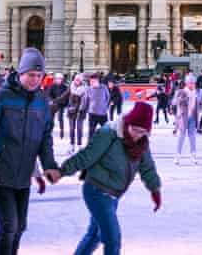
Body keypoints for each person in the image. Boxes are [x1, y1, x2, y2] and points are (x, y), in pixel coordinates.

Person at [0, 47, 58, 255]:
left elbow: (44, 138)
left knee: (19, 227)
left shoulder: (41, 101)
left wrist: (47, 166)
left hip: (22, 175)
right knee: (9, 226)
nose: (34, 79)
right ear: (20, 74)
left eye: (39, 75)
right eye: (30, 75)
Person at [51, 102, 162, 255]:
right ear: (128, 122)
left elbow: (147, 167)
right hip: (97, 190)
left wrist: (154, 189)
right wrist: (62, 171)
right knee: (112, 239)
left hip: (113, 195)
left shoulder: (142, 143)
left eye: (143, 132)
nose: (137, 135)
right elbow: (87, 156)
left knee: (95, 235)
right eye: (135, 129)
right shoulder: (109, 133)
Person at [173, 74, 201, 165]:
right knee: (181, 137)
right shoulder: (181, 91)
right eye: (192, 83)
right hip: (183, 118)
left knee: (192, 137)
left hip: (192, 117)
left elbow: (197, 105)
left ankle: (193, 156)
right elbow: (175, 102)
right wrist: (186, 98)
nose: (193, 85)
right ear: (187, 83)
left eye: (194, 83)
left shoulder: (196, 92)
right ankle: (177, 156)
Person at [82, 73, 110, 140]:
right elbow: (85, 100)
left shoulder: (104, 87)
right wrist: (82, 110)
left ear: (97, 81)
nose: (91, 83)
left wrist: (105, 107)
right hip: (92, 114)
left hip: (103, 114)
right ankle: (90, 147)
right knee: (91, 133)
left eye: (93, 81)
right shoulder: (88, 89)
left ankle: (106, 146)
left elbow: (108, 97)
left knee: (106, 131)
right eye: (90, 81)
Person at [67, 74, 88, 153]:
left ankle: (79, 145)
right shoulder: (71, 87)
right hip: (72, 112)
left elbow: (87, 100)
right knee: (72, 129)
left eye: (79, 80)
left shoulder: (85, 89)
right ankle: (71, 145)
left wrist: (85, 110)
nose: (77, 81)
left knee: (79, 129)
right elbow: (65, 96)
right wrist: (56, 101)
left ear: (82, 81)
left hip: (80, 112)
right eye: (76, 79)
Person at [46, 73, 69, 139]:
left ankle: (62, 131)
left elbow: (66, 97)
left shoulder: (65, 87)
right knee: (51, 118)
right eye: (57, 79)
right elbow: (49, 95)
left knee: (60, 118)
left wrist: (64, 103)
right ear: (55, 79)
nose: (59, 80)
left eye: (60, 79)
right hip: (53, 104)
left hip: (61, 104)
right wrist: (51, 100)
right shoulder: (52, 86)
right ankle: (50, 131)